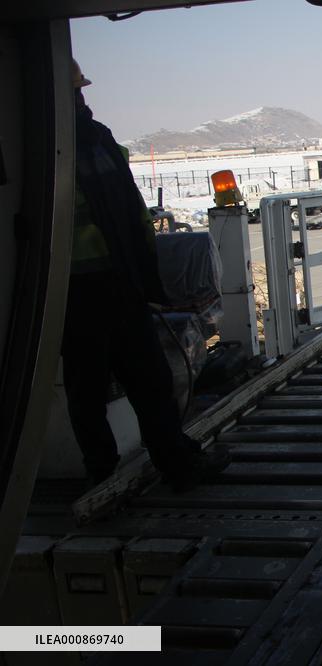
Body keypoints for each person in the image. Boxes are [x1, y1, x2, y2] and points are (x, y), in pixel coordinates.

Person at [65, 60, 229, 490]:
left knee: (141, 382)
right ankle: (111, 475)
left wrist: (147, 282)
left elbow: (132, 216)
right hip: (80, 291)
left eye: (81, 91)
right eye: (75, 91)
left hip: (108, 287)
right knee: (98, 389)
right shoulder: (64, 146)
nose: (82, 99)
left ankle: (158, 466)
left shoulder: (93, 141)